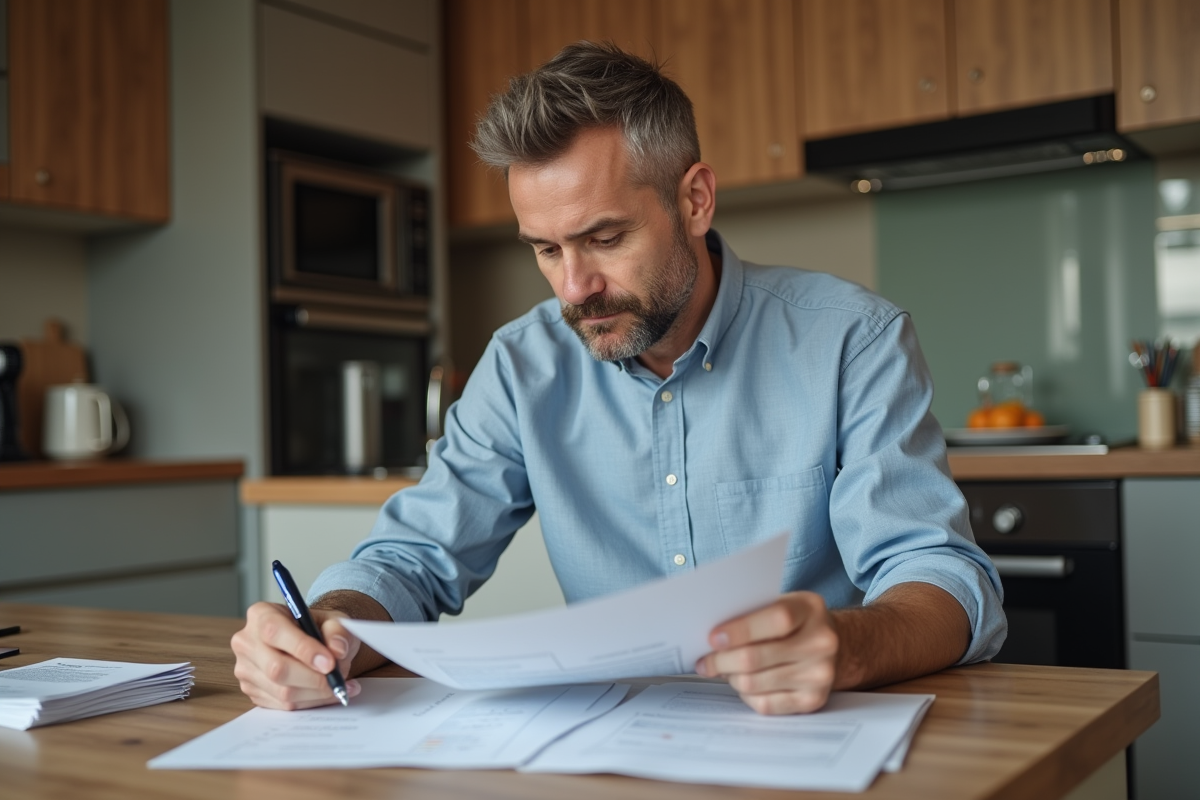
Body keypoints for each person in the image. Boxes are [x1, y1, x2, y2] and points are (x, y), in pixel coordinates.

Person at [232, 42, 1006, 716]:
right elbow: (412, 559)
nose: (572, 288)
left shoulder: (851, 339)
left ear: (694, 200)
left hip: (814, 732)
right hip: (608, 747)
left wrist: (847, 645)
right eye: (544, 249)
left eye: (604, 238)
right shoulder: (520, 365)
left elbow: (939, 576)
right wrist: (327, 629)